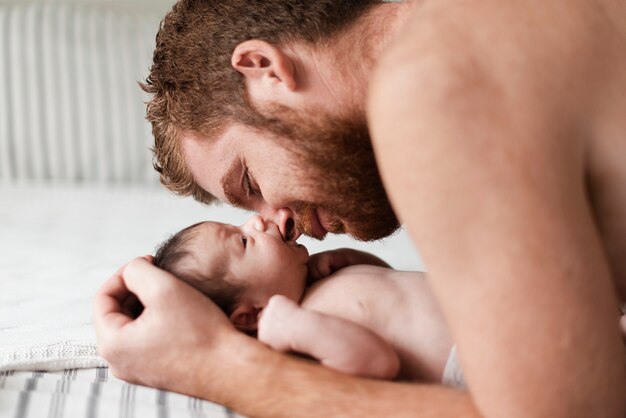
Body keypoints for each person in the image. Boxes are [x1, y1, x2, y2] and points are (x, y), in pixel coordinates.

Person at [93, 1, 626, 417]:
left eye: (250, 180)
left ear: (265, 70)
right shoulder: (486, 29)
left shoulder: (432, 84)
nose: (281, 220)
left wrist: (218, 366)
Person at [151, 215, 463, 386]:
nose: (255, 221)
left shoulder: (317, 286)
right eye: (244, 240)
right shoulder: (300, 337)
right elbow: (378, 363)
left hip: (479, 309)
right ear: (249, 315)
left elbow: (393, 295)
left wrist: (354, 260)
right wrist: (296, 325)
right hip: (467, 359)